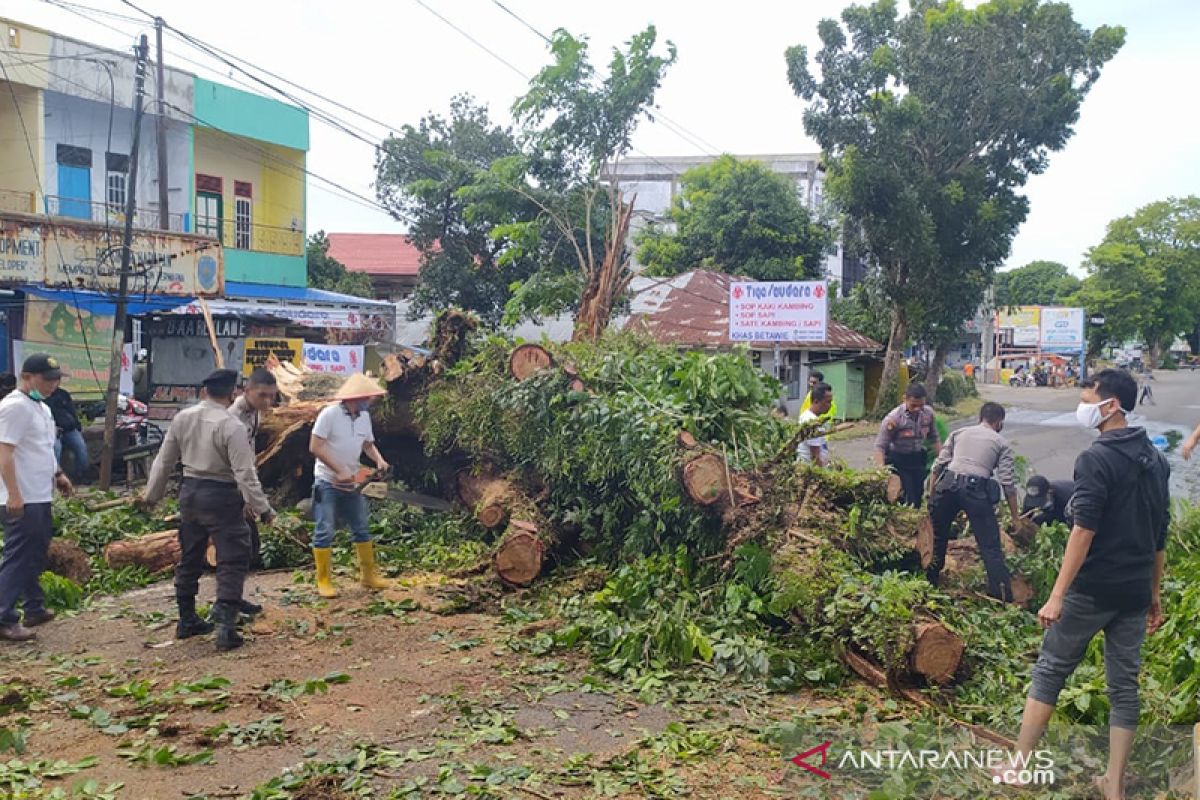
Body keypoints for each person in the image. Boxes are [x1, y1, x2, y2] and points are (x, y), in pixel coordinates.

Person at [1006, 370, 1168, 799]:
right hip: (1133, 593)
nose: (1081, 405)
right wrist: (1154, 594)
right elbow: (1159, 534)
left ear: (1110, 405)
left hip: (1093, 589)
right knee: (1123, 687)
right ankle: (1113, 785)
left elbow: (1083, 530)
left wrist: (1056, 595)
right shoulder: (1156, 458)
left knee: (1051, 669)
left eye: (1087, 397)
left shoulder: (1096, 459)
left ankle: (1019, 767)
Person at [139, 369, 275, 652]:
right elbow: (244, 473)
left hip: (190, 493)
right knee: (233, 558)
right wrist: (263, 508)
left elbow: (163, 462)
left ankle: (187, 619)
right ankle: (225, 626)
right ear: (232, 393)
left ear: (204, 392)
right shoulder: (231, 425)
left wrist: (151, 496)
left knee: (190, 556)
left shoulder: (182, 418)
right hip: (221, 496)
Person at [0, 354, 74, 641]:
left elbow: (42, 448)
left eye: (55, 380)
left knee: (35, 551)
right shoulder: (13, 407)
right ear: (27, 377)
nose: (52, 385)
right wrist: (14, 494)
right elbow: (4, 452)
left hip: (40, 492)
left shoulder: (41, 407)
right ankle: (4, 616)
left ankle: (34, 607)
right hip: (21, 496)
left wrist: (58, 474)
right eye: (47, 379)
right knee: (19, 556)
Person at [925, 402, 1021, 601]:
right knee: (990, 546)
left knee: (936, 536)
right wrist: (1015, 518)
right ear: (999, 422)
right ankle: (1001, 596)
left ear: (980, 417)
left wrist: (932, 495)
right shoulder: (1001, 443)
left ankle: (928, 582)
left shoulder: (959, 433)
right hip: (975, 490)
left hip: (947, 485)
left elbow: (938, 466)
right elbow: (1008, 484)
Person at [308, 374, 391, 598]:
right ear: (357, 397)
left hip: (352, 482)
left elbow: (367, 444)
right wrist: (338, 470)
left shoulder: (364, 417)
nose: (371, 401)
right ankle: (323, 580)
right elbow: (315, 446)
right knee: (325, 530)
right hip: (327, 481)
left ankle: (368, 576)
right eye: (368, 397)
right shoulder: (330, 414)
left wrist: (379, 460)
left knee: (361, 527)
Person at [229, 367, 278, 607]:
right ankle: (227, 604)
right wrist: (251, 501)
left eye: (272, 396)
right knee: (240, 549)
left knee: (250, 547)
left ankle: (233, 599)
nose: (268, 401)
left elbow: (249, 456)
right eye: (263, 395)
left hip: (244, 483)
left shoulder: (255, 413)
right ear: (246, 391)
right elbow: (237, 466)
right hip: (228, 487)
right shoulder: (233, 417)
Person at [874, 383, 940, 507]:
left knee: (919, 493)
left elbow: (934, 438)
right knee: (908, 496)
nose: (917, 409)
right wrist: (881, 473)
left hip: (917, 459)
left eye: (921, 405)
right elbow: (880, 447)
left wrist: (942, 460)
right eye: (913, 405)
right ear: (905, 399)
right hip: (899, 460)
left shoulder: (928, 414)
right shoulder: (894, 419)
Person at [47, 385, 89, 483]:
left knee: (81, 447)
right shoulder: (42, 396)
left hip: (69, 429)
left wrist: (77, 425)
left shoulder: (63, 394)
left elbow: (72, 411)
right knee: (56, 449)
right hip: (53, 430)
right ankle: (54, 479)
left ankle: (81, 476)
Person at [797, 383, 833, 466]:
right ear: (816, 401)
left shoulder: (808, 416)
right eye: (828, 402)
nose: (830, 406)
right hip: (810, 469)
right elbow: (815, 456)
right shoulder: (811, 422)